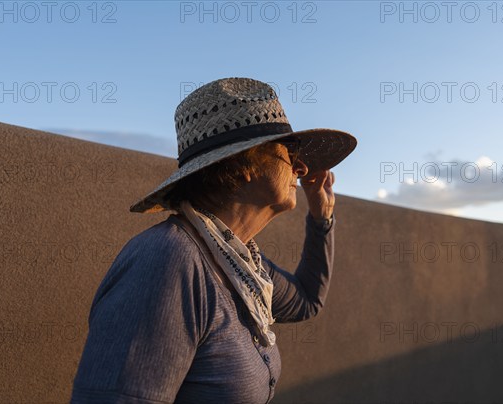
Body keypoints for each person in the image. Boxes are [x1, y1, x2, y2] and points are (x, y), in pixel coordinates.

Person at [71, 77, 357, 403]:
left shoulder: (242, 264)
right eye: (289, 150)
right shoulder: (168, 261)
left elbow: (306, 300)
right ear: (245, 164)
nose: (302, 167)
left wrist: (322, 219)